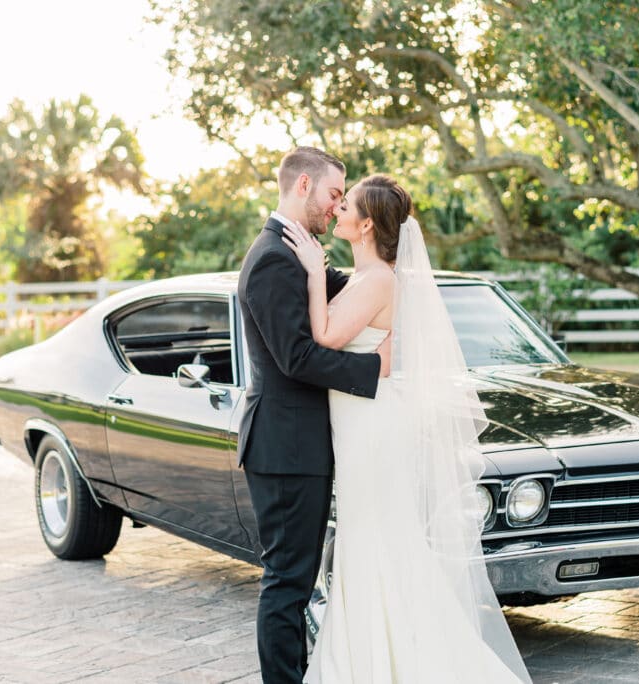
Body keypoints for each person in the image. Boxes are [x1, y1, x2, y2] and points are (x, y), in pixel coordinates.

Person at [283, 174, 530, 683]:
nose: (337, 211)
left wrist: (311, 272)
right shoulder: (371, 275)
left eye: (345, 205)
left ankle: (380, 663)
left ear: (367, 223)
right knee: (375, 537)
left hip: (370, 428)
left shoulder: (376, 280)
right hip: (365, 421)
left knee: (373, 537)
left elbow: (325, 336)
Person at [237, 146, 392, 684]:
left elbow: (345, 302)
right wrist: (376, 367)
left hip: (302, 444)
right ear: (303, 187)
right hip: (284, 448)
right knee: (287, 581)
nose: (335, 207)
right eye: (332, 195)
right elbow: (297, 357)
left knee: (296, 579)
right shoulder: (272, 259)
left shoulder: (296, 253)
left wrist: (386, 280)